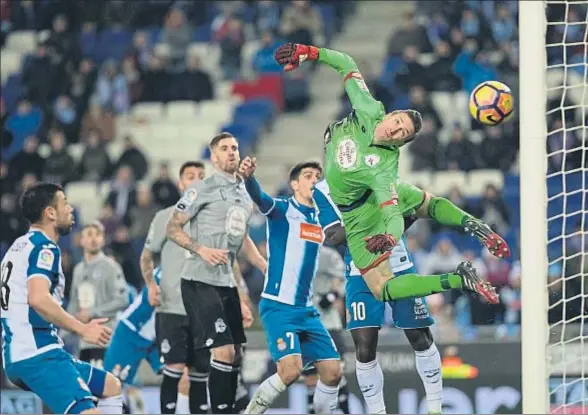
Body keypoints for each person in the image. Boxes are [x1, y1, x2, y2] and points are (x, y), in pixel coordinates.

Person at [274, 43, 510, 305]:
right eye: (397, 122)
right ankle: (473, 225)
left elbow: (390, 214)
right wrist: (309, 51)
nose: (395, 131)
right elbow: (346, 63)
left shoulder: (384, 168)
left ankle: (458, 278)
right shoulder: (369, 110)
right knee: (427, 204)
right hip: (357, 197)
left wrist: (388, 237)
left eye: (402, 134)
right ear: (392, 114)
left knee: (382, 288)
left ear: (402, 144)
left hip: (361, 212)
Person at [314, 179, 441, 414]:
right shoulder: (322, 189)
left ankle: (435, 407)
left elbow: (412, 211)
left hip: (399, 264)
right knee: (364, 346)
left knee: (419, 335)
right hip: (359, 271)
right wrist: (378, 225)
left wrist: (389, 225)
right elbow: (333, 235)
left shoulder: (379, 171)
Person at [1, 183, 123, 414]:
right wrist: (82, 329)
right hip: (38, 354)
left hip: (19, 353)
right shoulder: (45, 248)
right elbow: (38, 298)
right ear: (50, 212)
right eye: (65, 202)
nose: (70, 209)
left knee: (110, 386)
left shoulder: (18, 246)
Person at [165, 133, 265, 414]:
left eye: (235, 147)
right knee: (222, 351)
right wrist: (200, 250)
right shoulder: (201, 189)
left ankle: (227, 408)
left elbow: (242, 235)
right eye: (224, 148)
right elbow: (172, 228)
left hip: (226, 282)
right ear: (214, 157)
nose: (232, 152)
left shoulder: (243, 194)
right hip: (199, 279)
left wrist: (261, 264)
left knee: (235, 355)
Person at [239, 158, 342, 415]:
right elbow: (260, 198)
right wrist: (249, 178)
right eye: (308, 176)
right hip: (279, 307)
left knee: (332, 373)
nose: (315, 180)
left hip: (307, 311)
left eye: (318, 176)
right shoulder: (282, 210)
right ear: (294, 184)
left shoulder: (321, 219)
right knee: (290, 371)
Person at [141, 160, 209, 414]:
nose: (197, 180)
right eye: (190, 176)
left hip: (204, 310)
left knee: (201, 373)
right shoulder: (164, 217)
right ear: (181, 184)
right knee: (173, 370)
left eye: (202, 176)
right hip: (171, 307)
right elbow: (146, 256)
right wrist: (150, 285)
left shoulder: (214, 219)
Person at [68, 221, 129, 369]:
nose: (93, 239)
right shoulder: (78, 269)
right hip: (84, 340)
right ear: (81, 240)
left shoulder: (111, 267)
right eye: (89, 235)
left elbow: (122, 300)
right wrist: (68, 325)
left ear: (103, 239)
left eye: (97, 235)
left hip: (105, 338)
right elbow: (74, 302)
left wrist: (92, 312)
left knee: (104, 387)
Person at [103, 268, 163, 414]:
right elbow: (154, 299)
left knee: (180, 374)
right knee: (110, 387)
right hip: (132, 333)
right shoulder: (164, 273)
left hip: (157, 335)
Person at [305, 245, 349, 414]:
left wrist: (332, 295)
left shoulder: (326, 254)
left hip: (328, 320)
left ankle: (345, 410)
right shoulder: (292, 253)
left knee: (337, 371)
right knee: (310, 374)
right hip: (305, 319)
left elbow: (342, 276)